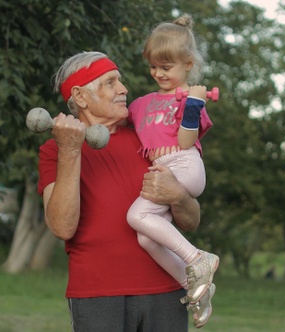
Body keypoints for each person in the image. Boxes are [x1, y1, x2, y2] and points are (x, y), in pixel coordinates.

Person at [38, 51, 203, 332]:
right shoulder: (55, 150)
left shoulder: (149, 140)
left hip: (166, 290)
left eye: (120, 81)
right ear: (80, 97)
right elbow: (63, 227)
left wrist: (178, 195)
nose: (124, 89)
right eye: (111, 82)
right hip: (98, 295)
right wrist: (70, 149)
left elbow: (191, 220)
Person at [125, 13, 218, 328]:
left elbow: (185, 139)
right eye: (153, 66)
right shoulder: (142, 104)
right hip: (165, 170)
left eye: (167, 67)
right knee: (147, 239)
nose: (158, 73)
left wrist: (194, 104)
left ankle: (197, 259)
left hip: (184, 165)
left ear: (188, 64)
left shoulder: (190, 100)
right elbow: (117, 121)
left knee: (135, 216)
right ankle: (195, 287)